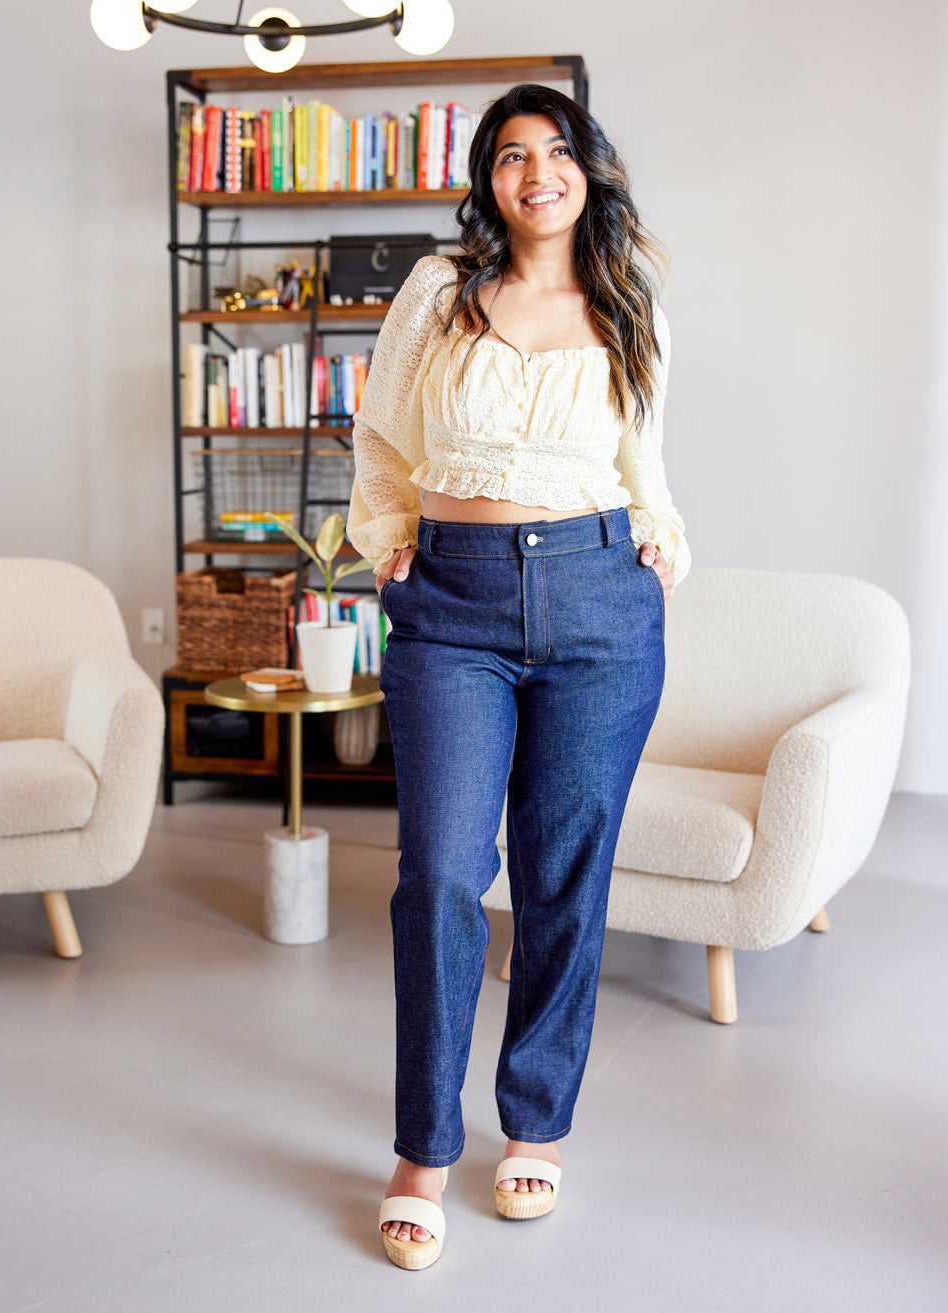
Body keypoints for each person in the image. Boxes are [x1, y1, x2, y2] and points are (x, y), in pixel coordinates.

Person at [346, 82, 690, 1271]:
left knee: (564, 875)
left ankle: (535, 1122)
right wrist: (389, 535)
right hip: (454, 603)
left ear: (587, 169)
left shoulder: (627, 300)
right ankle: (423, 1148)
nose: (534, 172)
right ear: (487, 178)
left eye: (554, 151)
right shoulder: (439, 291)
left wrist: (659, 538)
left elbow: (644, 453)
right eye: (509, 155)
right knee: (441, 870)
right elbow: (380, 434)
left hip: (600, 600)